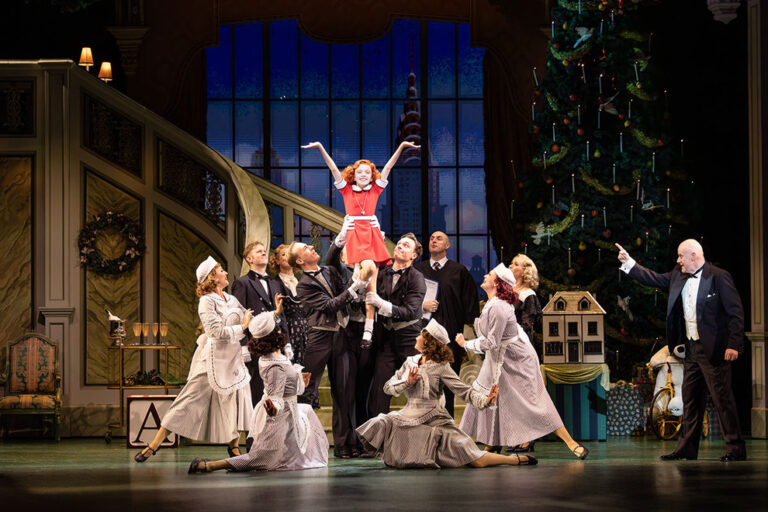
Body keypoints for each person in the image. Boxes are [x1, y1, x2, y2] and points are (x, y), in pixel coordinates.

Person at [616, 239, 746, 461]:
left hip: (714, 349)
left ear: (694, 255)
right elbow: (654, 278)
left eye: (681, 256)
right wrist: (630, 263)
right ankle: (686, 449)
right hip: (691, 347)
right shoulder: (678, 274)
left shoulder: (718, 277)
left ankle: (735, 449)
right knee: (690, 398)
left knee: (722, 399)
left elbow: (735, 313)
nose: (678, 261)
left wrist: (734, 344)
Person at [356, 319, 536, 468]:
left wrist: (486, 400)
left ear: (428, 342)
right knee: (381, 421)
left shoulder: (441, 367)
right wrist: (407, 382)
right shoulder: (410, 361)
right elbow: (387, 387)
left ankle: (513, 460)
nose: (417, 337)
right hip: (406, 416)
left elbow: (464, 391)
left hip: (434, 420)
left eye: (420, 335)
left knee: (474, 459)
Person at [456, 264, 588, 459]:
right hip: (499, 359)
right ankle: (488, 443)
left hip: (516, 361)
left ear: (497, 283)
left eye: (489, 275)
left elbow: (492, 342)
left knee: (533, 402)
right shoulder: (492, 304)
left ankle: (571, 442)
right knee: (487, 397)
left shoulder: (499, 307)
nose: (484, 276)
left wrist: (465, 344)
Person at [134, 256, 255, 462]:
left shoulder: (231, 299)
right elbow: (215, 332)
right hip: (212, 359)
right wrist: (241, 328)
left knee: (237, 398)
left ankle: (234, 446)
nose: (226, 273)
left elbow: (250, 318)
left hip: (233, 359)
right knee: (188, 399)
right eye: (221, 270)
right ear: (212, 277)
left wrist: (274, 314)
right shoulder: (206, 301)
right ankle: (154, 444)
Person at [302, 140, 420, 345]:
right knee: (367, 269)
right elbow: (333, 168)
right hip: (355, 232)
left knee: (371, 283)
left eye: (367, 172)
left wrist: (401, 147)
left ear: (372, 175)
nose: (364, 175)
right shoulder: (347, 190)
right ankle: (356, 289)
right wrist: (321, 147)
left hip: (372, 233)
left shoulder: (374, 190)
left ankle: (368, 329)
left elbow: (388, 167)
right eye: (359, 172)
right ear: (353, 175)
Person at [188, 310, 329, 473]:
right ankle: (211, 465)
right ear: (275, 334)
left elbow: (283, 388)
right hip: (279, 417)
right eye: (277, 328)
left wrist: (299, 382)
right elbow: (276, 396)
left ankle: (213, 465)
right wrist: (274, 408)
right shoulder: (275, 365)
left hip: (288, 414)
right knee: (260, 457)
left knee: (267, 456)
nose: (281, 330)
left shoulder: (275, 356)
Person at [288, 240, 368, 458]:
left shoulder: (330, 270)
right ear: (300, 261)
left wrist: (357, 280)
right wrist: (354, 288)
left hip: (342, 336)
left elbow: (339, 269)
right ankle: (299, 442)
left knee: (345, 390)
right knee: (307, 390)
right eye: (305, 248)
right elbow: (329, 306)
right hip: (319, 337)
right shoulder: (303, 284)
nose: (311, 247)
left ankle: (345, 444)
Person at [413, 231, 479, 417]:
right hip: (423, 337)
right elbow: (407, 301)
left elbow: (470, 307)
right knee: (423, 385)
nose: (434, 240)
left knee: (448, 387)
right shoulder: (418, 271)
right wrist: (421, 306)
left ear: (448, 245)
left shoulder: (459, 272)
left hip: (451, 337)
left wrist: (467, 340)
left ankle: (446, 425)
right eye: (431, 238)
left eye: (439, 238)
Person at [365, 233, 427, 417]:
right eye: (399, 243)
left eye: (406, 245)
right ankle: (377, 431)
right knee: (379, 389)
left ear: (414, 255)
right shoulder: (382, 273)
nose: (400, 246)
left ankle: (421, 428)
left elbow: (410, 311)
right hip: (386, 337)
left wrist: (380, 303)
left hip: (410, 337)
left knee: (418, 387)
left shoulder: (417, 278)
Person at [325, 231, 376, 441]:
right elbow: (330, 258)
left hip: (365, 334)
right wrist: (345, 233)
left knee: (363, 389)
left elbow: (372, 300)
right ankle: (343, 441)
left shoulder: (369, 270)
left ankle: (362, 440)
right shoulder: (339, 270)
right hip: (344, 332)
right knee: (344, 389)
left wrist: (369, 331)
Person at [232, 241, 291, 404]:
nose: (264, 253)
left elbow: (281, 314)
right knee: (257, 391)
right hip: (255, 344)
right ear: (249, 259)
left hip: (276, 343)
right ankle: (255, 421)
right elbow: (239, 316)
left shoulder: (275, 283)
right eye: (259, 251)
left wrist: (287, 342)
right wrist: (243, 344)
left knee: (277, 389)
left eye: (264, 251)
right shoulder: (242, 283)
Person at [269, 244, 309, 366]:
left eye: (289, 254)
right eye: (283, 254)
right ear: (277, 261)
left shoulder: (302, 281)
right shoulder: (274, 284)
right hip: (288, 330)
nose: (287, 257)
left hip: (305, 330)